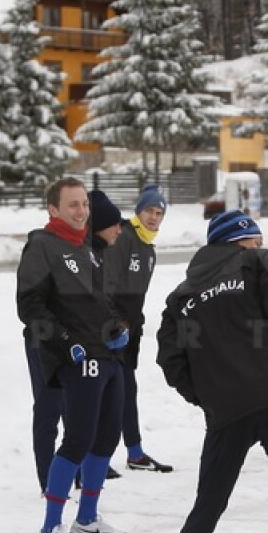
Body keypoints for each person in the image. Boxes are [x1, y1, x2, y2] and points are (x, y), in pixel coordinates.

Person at [156, 210, 268, 533]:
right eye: (255, 240)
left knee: (210, 501)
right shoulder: (256, 262)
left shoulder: (181, 297)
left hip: (226, 410)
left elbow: (172, 360)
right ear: (239, 241)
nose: (260, 244)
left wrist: (207, 395)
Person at [17, 177, 131, 533]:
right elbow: (30, 306)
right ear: (54, 210)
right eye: (73, 205)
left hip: (107, 357)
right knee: (78, 439)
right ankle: (51, 525)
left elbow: (99, 304)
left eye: (84, 204)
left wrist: (116, 327)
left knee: (106, 438)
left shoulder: (86, 247)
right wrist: (67, 343)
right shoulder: (42, 245)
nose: (82, 211)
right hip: (77, 359)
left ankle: (88, 519)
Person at [106, 183, 173, 473]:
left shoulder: (149, 249)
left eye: (159, 212)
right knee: (106, 394)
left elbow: (137, 295)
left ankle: (135, 453)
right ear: (138, 211)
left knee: (127, 390)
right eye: (149, 210)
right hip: (109, 329)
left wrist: (136, 324)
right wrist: (113, 323)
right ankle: (93, 457)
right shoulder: (124, 238)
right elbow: (107, 284)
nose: (153, 217)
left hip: (129, 331)